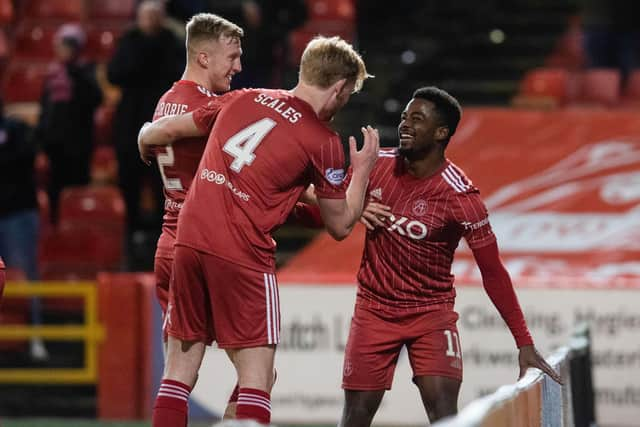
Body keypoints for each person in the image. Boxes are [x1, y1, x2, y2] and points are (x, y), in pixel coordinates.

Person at [138, 36, 378, 427]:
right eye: (348, 93)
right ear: (339, 88)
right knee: (258, 378)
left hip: (189, 238)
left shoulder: (243, 97)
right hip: (242, 252)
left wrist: (143, 135)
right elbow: (339, 225)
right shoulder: (324, 141)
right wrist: (363, 169)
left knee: (179, 372)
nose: (345, 101)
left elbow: (169, 129)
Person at [335, 87, 562, 426]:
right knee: (354, 417)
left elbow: (493, 271)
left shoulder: (461, 196)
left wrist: (523, 342)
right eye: (404, 118)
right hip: (374, 311)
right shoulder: (375, 166)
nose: (404, 126)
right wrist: (355, 206)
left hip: (431, 315)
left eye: (417, 119)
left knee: (444, 416)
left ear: (441, 133)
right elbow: (325, 206)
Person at [148, 11, 244, 417]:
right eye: (232, 56)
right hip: (209, 245)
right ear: (203, 57)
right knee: (259, 374)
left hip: (169, 245)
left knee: (177, 376)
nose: (238, 67)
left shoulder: (166, 102)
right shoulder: (212, 110)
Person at [108, 0, 184, 244]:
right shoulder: (128, 41)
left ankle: (161, 234)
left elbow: (178, 76)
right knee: (129, 181)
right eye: (147, 15)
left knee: (162, 182)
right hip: (130, 123)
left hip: (162, 120)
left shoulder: (171, 43)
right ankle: (131, 234)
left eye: (155, 15)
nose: (151, 20)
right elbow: (114, 74)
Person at [35, 23, 102, 224]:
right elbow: (45, 107)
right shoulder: (53, 73)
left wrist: (75, 74)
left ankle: (78, 230)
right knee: (55, 189)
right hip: (54, 143)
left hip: (78, 144)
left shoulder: (85, 71)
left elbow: (95, 99)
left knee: (77, 190)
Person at [0, 98, 48, 361]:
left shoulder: (16, 128)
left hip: (18, 214)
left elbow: (28, 155)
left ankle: (36, 337)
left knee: (27, 275)